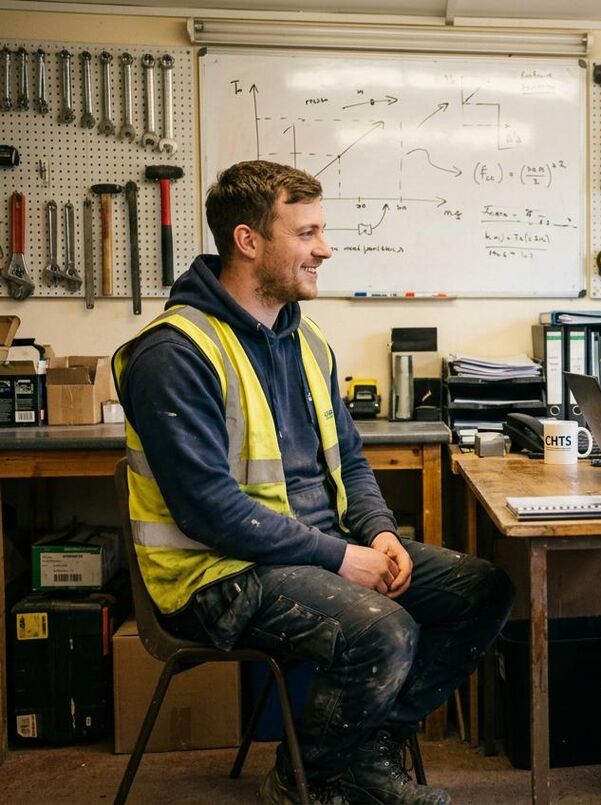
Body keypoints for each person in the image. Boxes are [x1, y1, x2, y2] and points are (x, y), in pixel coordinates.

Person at [113, 160, 514, 805]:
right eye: (306, 233)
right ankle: (317, 782)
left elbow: (350, 460)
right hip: (215, 574)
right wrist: (339, 558)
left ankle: (363, 746)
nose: (324, 248)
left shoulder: (307, 341)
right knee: (383, 628)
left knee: (482, 589)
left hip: (308, 553)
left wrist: (381, 535)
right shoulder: (175, 354)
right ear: (249, 241)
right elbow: (209, 510)